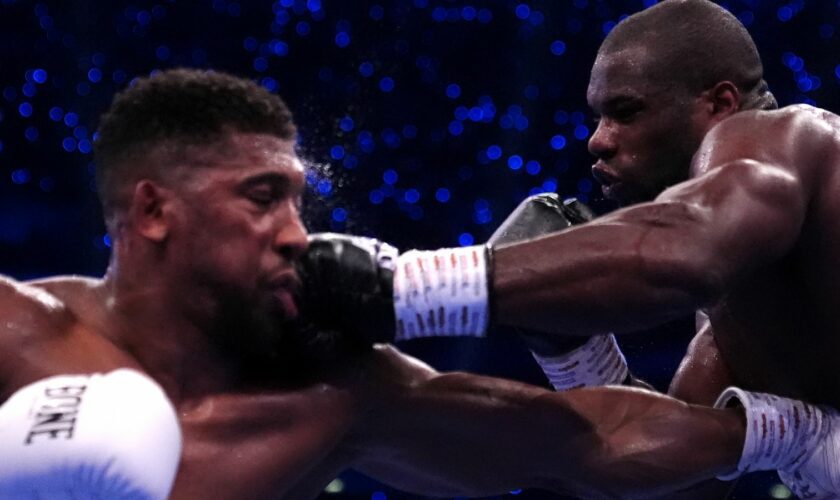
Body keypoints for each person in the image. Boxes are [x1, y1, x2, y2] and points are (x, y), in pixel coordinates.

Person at [0, 67, 758, 500]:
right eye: (263, 199)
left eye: (298, 201)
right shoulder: (16, 332)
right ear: (155, 210)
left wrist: (789, 431)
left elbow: (587, 438)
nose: (297, 233)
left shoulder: (335, 393)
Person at [295, 0, 840, 496]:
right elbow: (663, 467)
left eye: (626, 112)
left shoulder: (783, 138)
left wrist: (400, 288)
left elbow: (688, 250)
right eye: (599, 117)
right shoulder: (734, 325)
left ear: (719, 104)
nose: (597, 140)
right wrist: (573, 352)